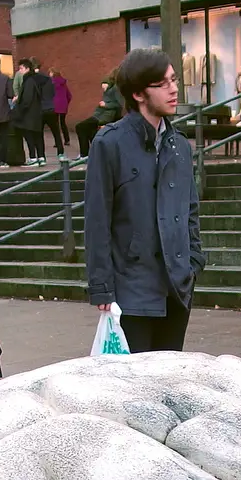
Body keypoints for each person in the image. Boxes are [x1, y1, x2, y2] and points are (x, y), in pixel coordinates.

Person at [84, 48, 205, 353]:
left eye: (174, 80)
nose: (174, 89)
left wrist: (193, 262)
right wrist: (102, 288)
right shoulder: (109, 143)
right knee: (133, 391)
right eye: (163, 83)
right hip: (131, 293)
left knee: (169, 384)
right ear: (139, 93)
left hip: (176, 289)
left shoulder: (179, 145)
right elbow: (97, 219)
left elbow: (190, 210)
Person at [76, 75, 122, 156]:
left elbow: (119, 104)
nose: (103, 87)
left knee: (80, 127)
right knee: (90, 131)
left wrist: (106, 105)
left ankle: (85, 154)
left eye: (104, 85)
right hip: (99, 114)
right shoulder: (108, 90)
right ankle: (93, 153)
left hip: (105, 116)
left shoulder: (115, 89)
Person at [13, 58, 48, 166]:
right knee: (38, 136)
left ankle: (33, 158)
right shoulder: (37, 79)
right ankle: (41, 157)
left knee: (29, 136)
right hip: (37, 113)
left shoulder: (28, 81)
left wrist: (19, 109)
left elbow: (27, 99)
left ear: (27, 68)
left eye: (21, 68)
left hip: (29, 114)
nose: (20, 71)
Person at [49, 66, 72, 158]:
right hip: (63, 105)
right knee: (63, 122)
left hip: (54, 106)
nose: (49, 74)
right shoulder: (64, 83)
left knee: (55, 125)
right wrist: (66, 102)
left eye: (50, 72)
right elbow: (69, 95)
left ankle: (57, 142)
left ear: (53, 73)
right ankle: (67, 139)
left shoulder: (51, 83)